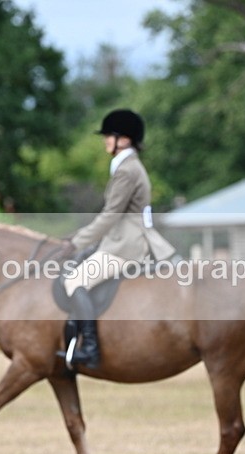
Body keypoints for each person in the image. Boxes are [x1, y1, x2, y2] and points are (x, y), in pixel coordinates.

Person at [61, 109, 177, 368]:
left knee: (75, 279)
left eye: (108, 136)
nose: (105, 141)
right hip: (125, 238)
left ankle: (89, 348)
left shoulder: (126, 170)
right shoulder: (129, 166)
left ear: (123, 140)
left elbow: (110, 216)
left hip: (125, 244)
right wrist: (78, 236)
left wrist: (76, 242)